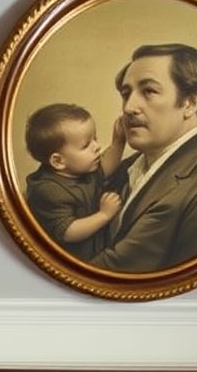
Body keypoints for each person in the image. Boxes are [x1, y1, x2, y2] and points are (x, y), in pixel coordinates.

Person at [87, 42, 197, 272]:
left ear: (190, 103)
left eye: (149, 91)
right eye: (126, 94)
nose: (129, 107)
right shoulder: (130, 166)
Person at [24, 103, 128, 260]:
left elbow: (105, 167)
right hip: (70, 261)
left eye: (95, 139)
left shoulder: (80, 170)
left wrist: (118, 142)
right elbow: (67, 232)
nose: (97, 147)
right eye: (86, 145)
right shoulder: (48, 190)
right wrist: (104, 215)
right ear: (58, 161)